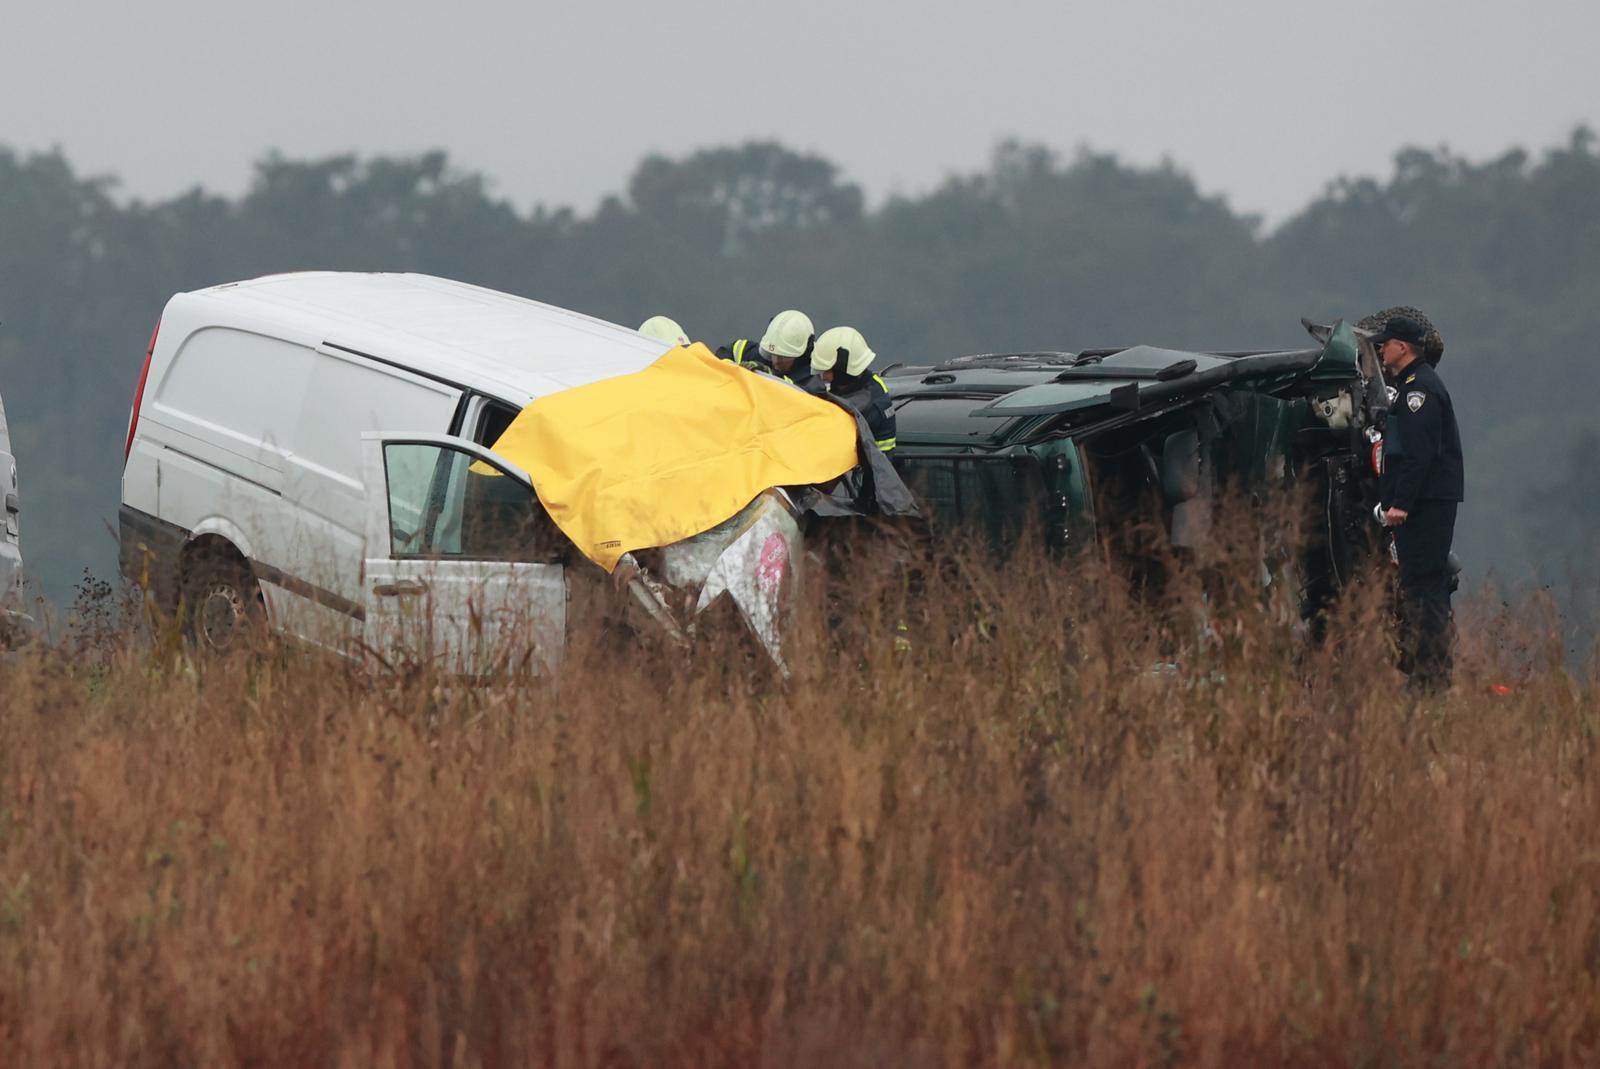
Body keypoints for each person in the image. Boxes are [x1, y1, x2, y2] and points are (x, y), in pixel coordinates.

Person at [1375, 315, 1464, 691]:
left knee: (1425, 586)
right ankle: (1428, 672)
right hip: (1422, 502)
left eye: (1386, 343)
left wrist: (1401, 504)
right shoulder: (1410, 385)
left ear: (1403, 347)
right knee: (1417, 584)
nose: (1381, 349)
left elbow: (1419, 455)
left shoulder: (1419, 391)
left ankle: (1431, 674)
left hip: (1426, 504)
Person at [812, 325, 895, 453]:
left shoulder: (867, 404)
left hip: (867, 471)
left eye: (827, 371)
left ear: (843, 370)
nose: (823, 377)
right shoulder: (860, 384)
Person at [718, 309, 817, 388]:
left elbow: (802, 393)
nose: (776, 361)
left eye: (784, 356)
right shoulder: (758, 355)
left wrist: (768, 376)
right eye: (772, 354)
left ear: (805, 352)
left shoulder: (816, 376)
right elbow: (729, 352)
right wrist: (730, 368)